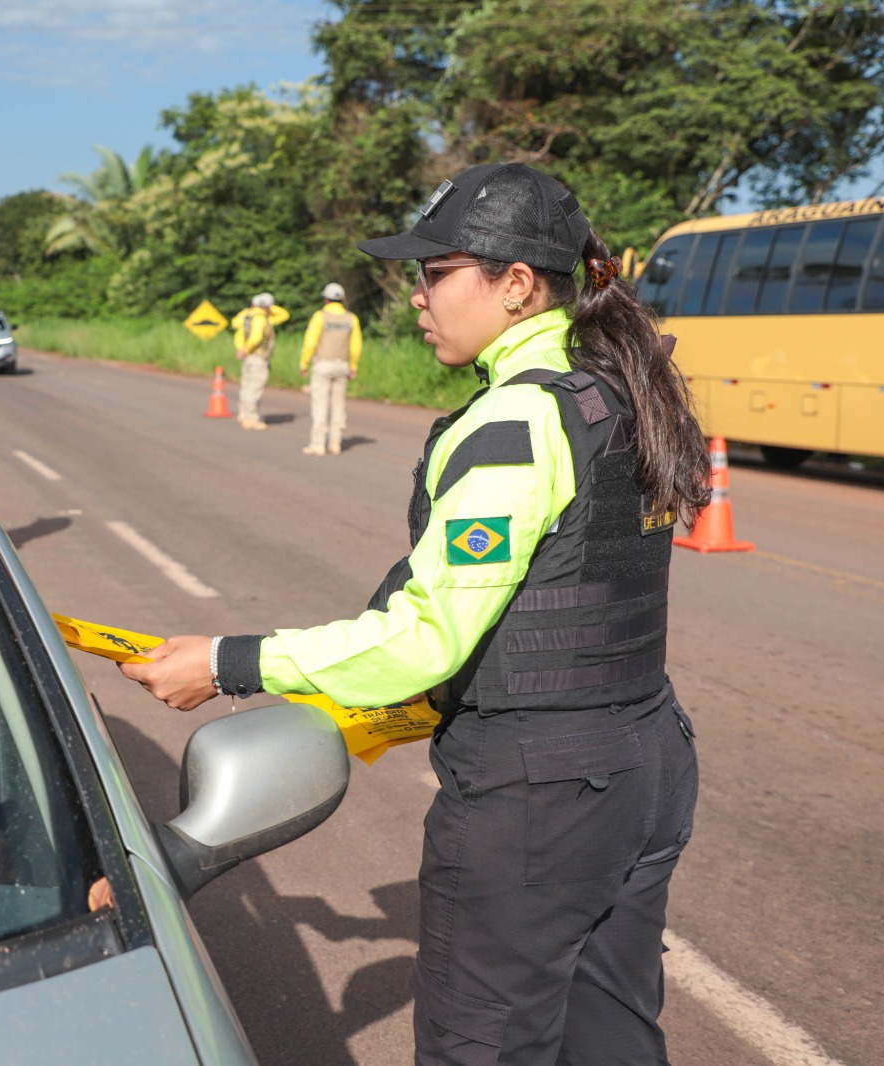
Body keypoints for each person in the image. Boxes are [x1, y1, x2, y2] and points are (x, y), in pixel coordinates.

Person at [120, 163, 710, 1065]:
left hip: (539, 793)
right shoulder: (618, 390)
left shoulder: (514, 424)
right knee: (612, 1036)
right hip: (645, 758)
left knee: (482, 1044)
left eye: (437, 271)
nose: (416, 295)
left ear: (516, 285)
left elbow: (423, 640)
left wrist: (227, 663)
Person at [299, 282, 362, 455]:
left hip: (323, 365)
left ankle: (318, 445)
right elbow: (356, 345)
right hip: (342, 365)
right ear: (341, 299)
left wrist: (304, 362)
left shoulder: (320, 316)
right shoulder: (351, 318)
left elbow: (311, 341)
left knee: (320, 405)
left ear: (326, 299)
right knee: (338, 405)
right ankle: (335, 443)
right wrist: (354, 365)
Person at [228, 293, 290, 430]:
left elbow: (237, 331)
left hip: (248, 357)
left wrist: (242, 349)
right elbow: (256, 337)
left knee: (246, 386)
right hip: (258, 357)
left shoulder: (246, 316)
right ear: (267, 306)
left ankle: (243, 414)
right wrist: (247, 349)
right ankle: (251, 419)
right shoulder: (261, 318)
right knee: (254, 389)